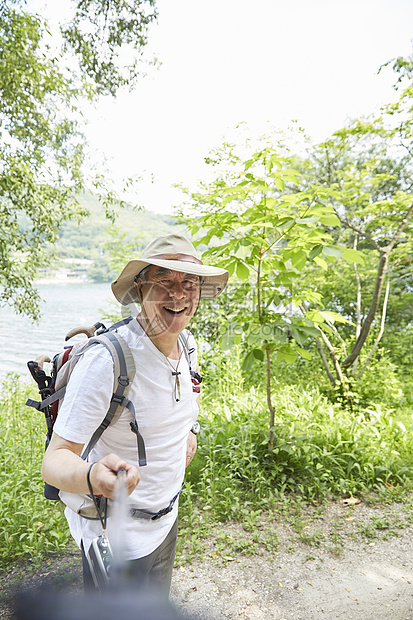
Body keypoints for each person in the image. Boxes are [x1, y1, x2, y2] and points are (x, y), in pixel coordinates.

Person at [41, 233, 228, 596]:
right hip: (115, 537)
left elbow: (187, 398)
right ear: (140, 287)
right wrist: (94, 476)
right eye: (164, 281)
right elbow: (54, 462)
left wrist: (191, 428)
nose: (178, 294)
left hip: (166, 520)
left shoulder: (187, 345)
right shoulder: (107, 360)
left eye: (189, 282)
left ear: (200, 291)